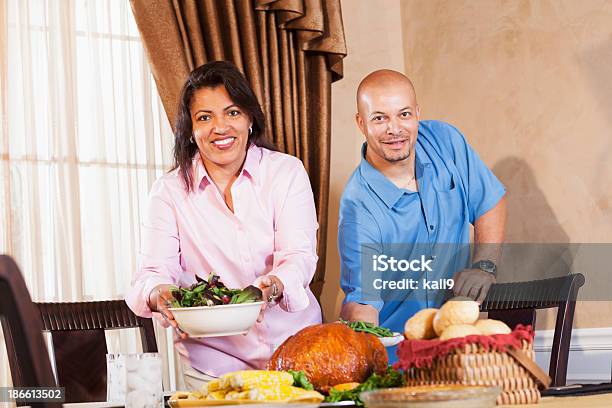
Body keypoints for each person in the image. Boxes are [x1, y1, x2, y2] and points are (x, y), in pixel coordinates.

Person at [125, 61, 322, 389]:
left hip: (299, 354)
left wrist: (273, 285)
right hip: (214, 368)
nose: (220, 127)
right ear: (190, 129)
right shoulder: (169, 192)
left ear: (249, 118)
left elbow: (299, 255)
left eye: (232, 113)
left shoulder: (286, 172)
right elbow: (150, 274)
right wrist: (162, 295)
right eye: (205, 117)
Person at [338, 69, 506, 357]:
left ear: (417, 113)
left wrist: (484, 266)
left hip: (459, 347)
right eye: (379, 118)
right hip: (398, 360)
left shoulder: (445, 141)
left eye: (403, 114)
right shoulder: (358, 206)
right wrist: (363, 353)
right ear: (360, 123)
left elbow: (489, 201)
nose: (395, 129)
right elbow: (363, 302)